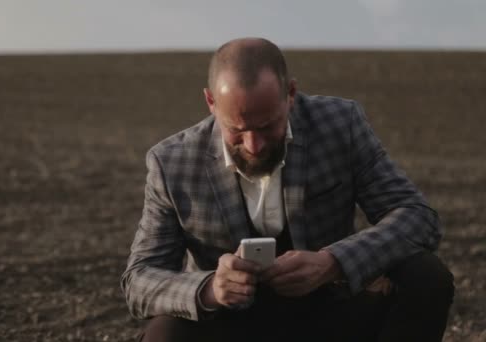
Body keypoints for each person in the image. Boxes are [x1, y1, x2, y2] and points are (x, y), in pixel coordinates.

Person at [121, 37, 454, 341]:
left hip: (328, 313)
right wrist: (210, 288)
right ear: (210, 101)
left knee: (425, 276)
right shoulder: (171, 162)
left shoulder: (340, 124)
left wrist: (331, 263)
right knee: (165, 333)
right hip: (228, 326)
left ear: (291, 94)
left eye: (267, 126)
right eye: (237, 130)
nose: (253, 145)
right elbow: (139, 280)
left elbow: (416, 217)